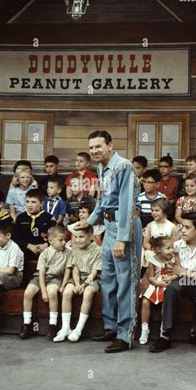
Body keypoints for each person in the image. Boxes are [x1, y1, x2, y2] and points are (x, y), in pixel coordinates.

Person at [74, 130, 142, 353]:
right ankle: (111, 327)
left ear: (110, 146)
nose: (94, 151)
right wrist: (90, 222)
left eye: (98, 146)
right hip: (108, 226)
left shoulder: (124, 166)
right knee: (109, 279)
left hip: (126, 228)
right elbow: (103, 200)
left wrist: (122, 239)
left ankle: (125, 335)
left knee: (126, 282)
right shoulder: (102, 168)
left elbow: (127, 205)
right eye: (91, 147)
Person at [149, 212, 196, 352]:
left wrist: (184, 272)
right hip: (178, 280)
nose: (182, 230)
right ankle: (165, 336)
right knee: (171, 290)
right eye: (182, 227)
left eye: (187, 228)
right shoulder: (176, 245)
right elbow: (163, 258)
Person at [20, 226, 72, 341]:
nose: (64, 243)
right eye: (61, 240)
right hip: (40, 277)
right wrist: (43, 291)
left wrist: (63, 286)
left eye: (65, 240)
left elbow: (68, 271)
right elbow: (41, 273)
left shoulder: (68, 253)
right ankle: (26, 323)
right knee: (28, 293)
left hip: (56, 278)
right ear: (50, 241)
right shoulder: (44, 254)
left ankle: (52, 325)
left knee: (52, 292)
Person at [54, 226, 102, 343]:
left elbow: (94, 273)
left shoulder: (99, 250)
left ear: (91, 236)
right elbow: (75, 268)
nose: (78, 240)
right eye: (76, 237)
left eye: (81, 237)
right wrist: (76, 284)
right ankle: (66, 327)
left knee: (88, 293)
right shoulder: (75, 249)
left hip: (92, 278)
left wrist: (84, 285)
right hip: (78, 278)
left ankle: (78, 329)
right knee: (67, 292)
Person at [139, 236, 178, 345]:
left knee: (165, 303)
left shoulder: (173, 259)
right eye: (168, 248)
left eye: (171, 248)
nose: (171, 250)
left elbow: (177, 273)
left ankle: (163, 327)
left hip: (167, 283)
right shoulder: (153, 260)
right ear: (158, 250)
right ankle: (144, 328)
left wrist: (171, 278)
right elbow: (151, 277)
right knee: (145, 302)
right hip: (156, 283)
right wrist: (157, 283)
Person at [14, 189, 56, 262]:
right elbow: (16, 237)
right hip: (26, 249)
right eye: (27, 201)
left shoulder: (49, 218)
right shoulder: (20, 217)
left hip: (45, 249)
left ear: (41, 203)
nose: (29, 205)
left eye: (33, 202)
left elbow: (55, 236)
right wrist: (28, 245)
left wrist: (46, 244)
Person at [142, 198, 178, 267]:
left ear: (165, 212)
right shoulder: (149, 226)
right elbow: (145, 243)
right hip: (153, 252)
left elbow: (174, 244)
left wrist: (165, 251)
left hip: (167, 254)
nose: (154, 213)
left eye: (157, 210)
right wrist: (155, 250)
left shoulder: (172, 227)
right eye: (152, 210)